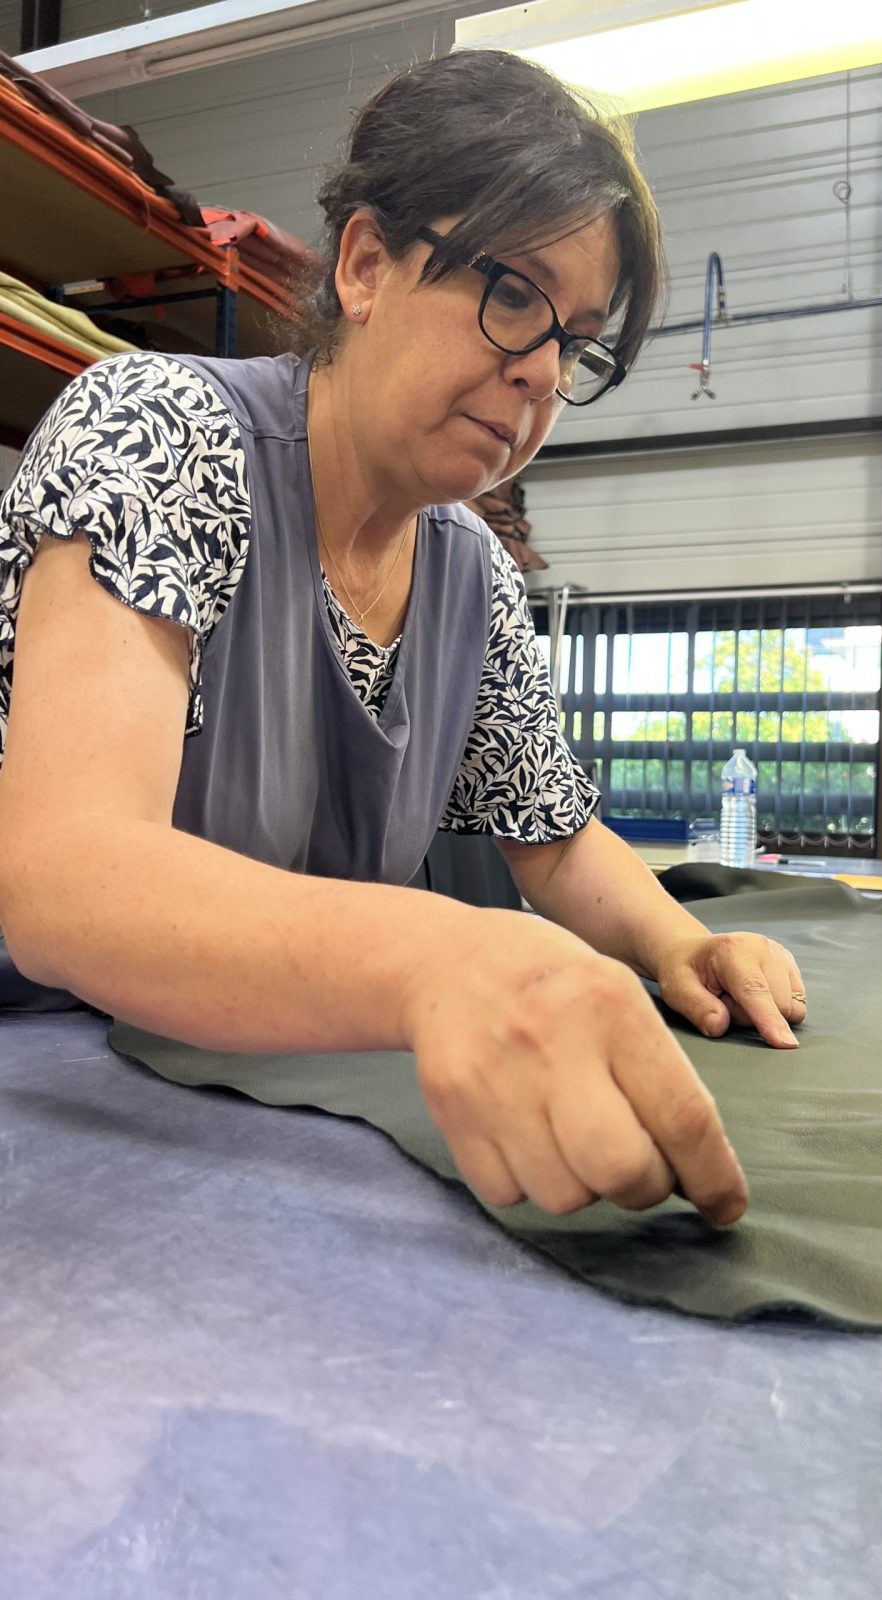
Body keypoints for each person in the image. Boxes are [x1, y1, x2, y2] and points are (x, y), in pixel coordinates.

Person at [0, 50, 806, 1228]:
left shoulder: (469, 571)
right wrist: (439, 960)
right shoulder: (163, 437)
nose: (536, 369)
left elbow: (554, 838)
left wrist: (682, 946)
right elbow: (63, 881)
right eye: (512, 293)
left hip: (265, 1111)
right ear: (369, 264)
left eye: (574, 343)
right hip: (56, 1102)